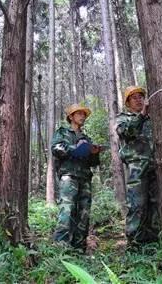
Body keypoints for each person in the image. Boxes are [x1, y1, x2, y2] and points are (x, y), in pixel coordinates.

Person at [51, 103, 103, 250]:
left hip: (85, 178)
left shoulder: (86, 137)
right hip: (69, 176)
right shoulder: (62, 132)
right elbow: (56, 148)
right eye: (79, 114)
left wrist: (94, 152)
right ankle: (61, 248)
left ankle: (79, 248)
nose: (82, 117)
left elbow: (93, 163)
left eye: (84, 114)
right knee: (67, 210)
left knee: (84, 213)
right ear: (71, 116)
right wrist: (75, 148)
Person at [116, 86, 158, 247]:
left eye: (141, 96)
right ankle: (134, 245)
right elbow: (126, 132)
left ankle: (152, 242)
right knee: (137, 204)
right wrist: (141, 115)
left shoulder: (150, 118)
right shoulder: (123, 118)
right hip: (136, 166)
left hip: (154, 165)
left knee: (155, 204)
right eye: (134, 97)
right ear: (127, 103)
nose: (139, 99)